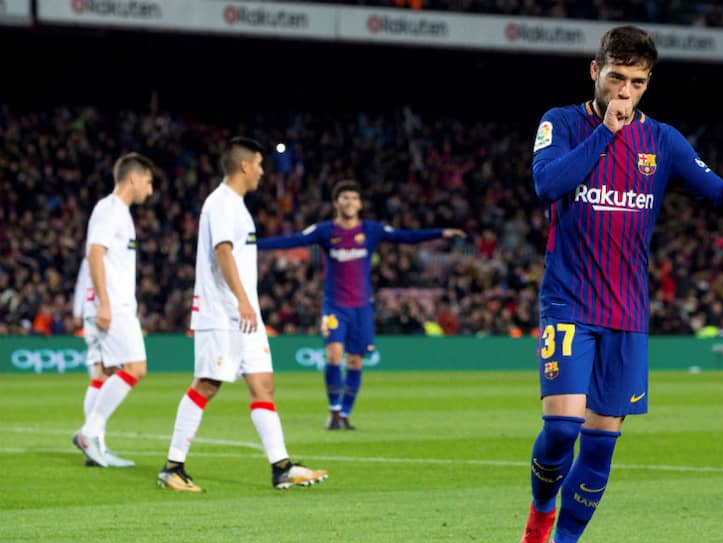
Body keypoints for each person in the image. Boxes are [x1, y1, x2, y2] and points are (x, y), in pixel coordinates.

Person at [516, 25, 723, 543]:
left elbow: (722, 201)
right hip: (568, 301)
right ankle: (539, 517)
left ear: (648, 82)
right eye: (617, 78)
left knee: (602, 442)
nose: (625, 92)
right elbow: (548, 183)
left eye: (637, 83)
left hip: (627, 313)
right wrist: (606, 136)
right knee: (561, 429)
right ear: (595, 71)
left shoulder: (662, 140)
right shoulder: (559, 123)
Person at [157, 137, 328, 492]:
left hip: (244, 315)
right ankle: (172, 467)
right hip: (223, 311)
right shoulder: (221, 204)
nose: (264, 172)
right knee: (207, 384)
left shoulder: (237, 206)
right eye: (261, 165)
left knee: (263, 384)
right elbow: (223, 253)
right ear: (245, 165)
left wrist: (249, 305)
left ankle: (281, 467)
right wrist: (243, 300)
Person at [258, 179, 465, 430]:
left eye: (354, 198)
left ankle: (345, 414)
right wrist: (252, 242)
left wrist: (441, 232)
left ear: (360, 204)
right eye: (344, 198)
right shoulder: (325, 231)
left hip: (362, 308)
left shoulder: (371, 230)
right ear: (336, 203)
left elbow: (406, 236)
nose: (349, 202)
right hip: (334, 306)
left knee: (355, 361)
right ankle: (333, 412)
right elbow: (290, 241)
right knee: (333, 354)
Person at [72, 153, 157, 468]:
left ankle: (97, 449)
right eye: (148, 181)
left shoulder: (117, 212)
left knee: (103, 373)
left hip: (107, 303)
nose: (150, 188)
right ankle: (90, 432)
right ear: (133, 178)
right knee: (136, 368)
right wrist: (105, 302)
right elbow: (94, 254)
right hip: (113, 305)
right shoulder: (111, 210)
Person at [72, 257, 115, 466]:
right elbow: (83, 282)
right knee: (101, 375)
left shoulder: (98, 253)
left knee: (105, 375)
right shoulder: (96, 253)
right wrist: (77, 311)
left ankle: (98, 444)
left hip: (100, 311)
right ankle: (94, 442)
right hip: (97, 313)